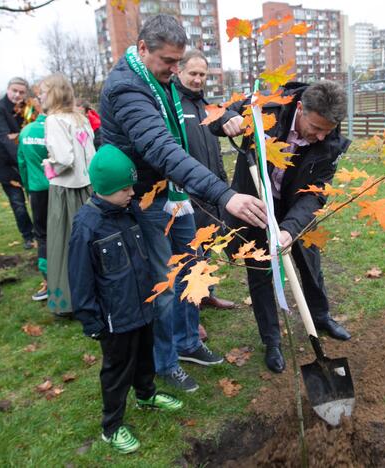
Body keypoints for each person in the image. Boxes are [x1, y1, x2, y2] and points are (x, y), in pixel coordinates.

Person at [99, 14, 267, 392]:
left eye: (179, 63)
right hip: (148, 198)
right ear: (143, 49)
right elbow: (161, 148)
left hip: (177, 195)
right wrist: (225, 195)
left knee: (194, 267)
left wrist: (226, 117)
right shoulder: (127, 89)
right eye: (168, 63)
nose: (175, 71)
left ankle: (189, 342)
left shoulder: (161, 82)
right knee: (165, 282)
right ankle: (166, 359)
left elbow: (194, 120)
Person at [210, 81, 352, 373]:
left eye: (327, 130)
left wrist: (288, 229)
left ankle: (321, 316)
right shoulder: (266, 106)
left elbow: (316, 193)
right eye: (315, 127)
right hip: (255, 205)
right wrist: (228, 120)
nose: (320, 136)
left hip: (296, 208)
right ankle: (272, 339)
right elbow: (217, 116)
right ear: (300, 108)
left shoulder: (330, 143)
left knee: (310, 264)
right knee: (261, 269)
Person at [69, 145, 183, 454]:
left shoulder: (129, 211)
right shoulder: (87, 226)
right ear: (104, 189)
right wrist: (90, 319)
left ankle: (146, 394)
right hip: (114, 318)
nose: (132, 192)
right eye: (125, 188)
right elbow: (79, 278)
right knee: (118, 370)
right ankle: (112, 425)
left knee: (145, 356)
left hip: (142, 307)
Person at [173, 49, 237, 311]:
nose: (198, 79)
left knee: (208, 247)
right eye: (193, 73)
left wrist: (232, 117)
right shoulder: (173, 104)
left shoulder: (203, 104)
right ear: (180, 71)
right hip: (188, 193)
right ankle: (191, 309)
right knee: (189, 254)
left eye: (202, 74)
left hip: (211, 190)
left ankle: (206, 294)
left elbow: (224, 119)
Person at [40, 73, 94, 317]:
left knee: (66, 246)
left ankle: (70, 302)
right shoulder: (80, 119)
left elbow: (63, 159)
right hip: (89, 189)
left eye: (43, 91)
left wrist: (48, 167)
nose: (40, 96)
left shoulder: (54, 121)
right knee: (89, 244)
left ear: (54, 93)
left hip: (66, 192)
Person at [0, 77, 35, 250]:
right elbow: (3, 137)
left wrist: (16, 136)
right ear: (8, 89)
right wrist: (19, 147)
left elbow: (31, 131)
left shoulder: (28, 109)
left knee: (36, 199)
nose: (17, 95)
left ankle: (41, 231)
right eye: (14, 90)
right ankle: (28, 235)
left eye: (21, 92)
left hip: (28, 163)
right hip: (7, 165)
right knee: (18, 203)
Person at [17, 91, 49, 302]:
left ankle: (49, 281)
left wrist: (28, 190)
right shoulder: (59, 129)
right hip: (60, 188)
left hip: (37, 190)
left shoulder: (26, 131)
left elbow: (22, 164)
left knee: (43, 235)